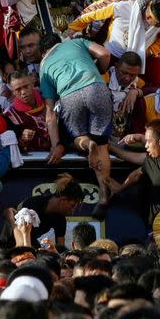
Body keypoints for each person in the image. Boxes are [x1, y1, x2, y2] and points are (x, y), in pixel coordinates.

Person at [39, 34, 114, 206]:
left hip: (69, 96)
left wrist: (56, 144)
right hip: (96, 87)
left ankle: (88, 145)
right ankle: (103, 195)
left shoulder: (44, 66)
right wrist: (101, 71)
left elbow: (50, 112)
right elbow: (104, 54)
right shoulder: (76, 42)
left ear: (43, 53)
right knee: (102, 144)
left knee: (75, 137)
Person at [67, 0, 160, 86]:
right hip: (111, 54)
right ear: (149, 12)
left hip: (142, 58)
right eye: (151, 20)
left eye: (157, 25)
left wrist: (149, 52)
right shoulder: (124, 1)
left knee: (154, 84)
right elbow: (93, 10)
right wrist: (74, 28)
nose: (151, 26)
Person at [105, 119, 160, 222]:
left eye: (148, 141)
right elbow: (138, 174)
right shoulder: (151, 160)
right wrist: (120, 188)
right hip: (156, 224)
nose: (145, 145)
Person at [4, 173, 84, 247]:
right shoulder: (31, 206)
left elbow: (60, 246)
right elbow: (21, 243)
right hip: (10, 242)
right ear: (63, 200)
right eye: (72, 206)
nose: (72, 212)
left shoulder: (60, 219)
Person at [3, 70, 51, 152]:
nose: (23, 92)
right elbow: (10, 146)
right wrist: (22, 139)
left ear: (32, 83)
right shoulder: (10, 114)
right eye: (18, 89)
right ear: (13, 92)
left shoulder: (48, 99)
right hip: (34, 160)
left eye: (26, 86)